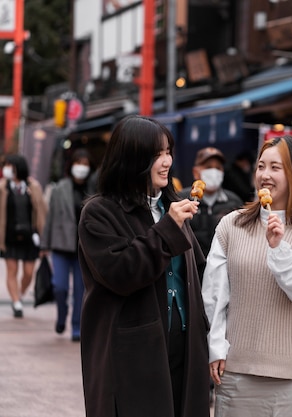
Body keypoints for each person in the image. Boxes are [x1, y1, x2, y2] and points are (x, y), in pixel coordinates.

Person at [77, 115, 211, 417]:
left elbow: (196, 273)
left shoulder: (171, 205)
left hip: (185, 345)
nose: (166, 161)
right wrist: (167, 228)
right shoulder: (99, 212)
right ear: (131, 158)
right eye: (156, 154)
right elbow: (122, 273)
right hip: (133, 353)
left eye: (168, 152)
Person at [202, 135, 292, 417]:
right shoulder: (231, 224)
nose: (265, 175)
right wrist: (216, 348)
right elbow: (214, 295)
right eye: (261, 166)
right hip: (236, 368)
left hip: (291, 374)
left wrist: (278, 248)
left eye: (276, 167)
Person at [41, 148, 95, 341]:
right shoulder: (59, 188)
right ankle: (61, 316)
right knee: (59, 287)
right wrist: (44, 245)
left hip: (84, 248)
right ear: (71, 165)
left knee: (81, 290)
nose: (81, 167)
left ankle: (76, 326)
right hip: (61, 245)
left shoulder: (93, 189)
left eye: (86, 164)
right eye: (78, 163)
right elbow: (50, 218)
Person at [0, 154, 47, 318]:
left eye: (9, 166)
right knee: (11, 270)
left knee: (28, 272)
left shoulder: (33, 186)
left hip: (30, 236)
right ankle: (16, 303)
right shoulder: (2, 187)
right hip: (9, 236)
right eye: (5, 165)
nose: (6, 169)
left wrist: (44, 239)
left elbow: (42, 212)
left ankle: (20, 293)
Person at [179, 146, 243, 257]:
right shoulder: (181, 200)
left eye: (218, 168)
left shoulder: (234, 202)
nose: (214, 172)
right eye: (208, 167)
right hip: (190, 268)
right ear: (195, 172)